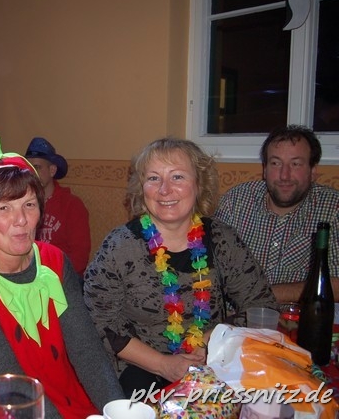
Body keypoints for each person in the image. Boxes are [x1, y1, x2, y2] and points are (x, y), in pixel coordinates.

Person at [0, 136, 124, 418]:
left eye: (29, 205)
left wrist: (119, 410)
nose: (21, 219)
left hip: (58, 394)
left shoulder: (55, 262)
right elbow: (6, 384)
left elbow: (87, 352)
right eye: (3, 208)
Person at [83, 137, 277, 397]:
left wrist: (211, 340)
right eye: (153, 178)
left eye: (177, 177)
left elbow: (261, 306)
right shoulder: (119, 247)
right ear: (141, 189)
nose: (164, 190)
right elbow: (98, 323)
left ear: (199, 184)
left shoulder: (222, 239)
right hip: (139, 367)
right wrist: (163, 364)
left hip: (212, 361)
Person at [215, 125, 339, 303]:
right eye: (275, 163)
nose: (284, 175)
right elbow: (210, 269)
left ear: (313, 171)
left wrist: (263, 295)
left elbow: (336, 284)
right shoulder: (235, 201)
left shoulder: (333, 209)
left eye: (295, 164)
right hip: (236, 316)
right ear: (264, 170)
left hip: (296, 317)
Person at [25, 137, 91, 276]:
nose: (32, 173)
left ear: (52, 170)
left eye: (37, 167)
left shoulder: (72, 206)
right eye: (29, 168)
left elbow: (80, 257)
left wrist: (55, 279)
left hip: (64, 279)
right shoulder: (22, 204)